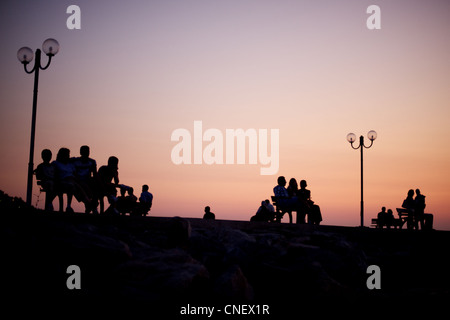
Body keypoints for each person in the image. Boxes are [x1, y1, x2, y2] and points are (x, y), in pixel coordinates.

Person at [52, 147, 90, 213]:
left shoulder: (70, 164)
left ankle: (85, 201)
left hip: (72, 181)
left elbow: (75, 174)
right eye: (67, 155)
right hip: (62, 181)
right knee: (73, 185)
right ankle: (86, 201)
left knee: (76, 186)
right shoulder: (56, 163)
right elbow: (54, 174)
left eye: (68, 155)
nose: (68, 156)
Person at [72, 145, 98, 213]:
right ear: (81, 152)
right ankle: (90, 205)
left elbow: (95, 174)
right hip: (78, 181)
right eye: (85, 151)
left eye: (87, 151)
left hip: (88, 180)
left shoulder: (92, 162)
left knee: (95, 188)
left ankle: (90, 205)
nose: (86, 153)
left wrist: (93, 181)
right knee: (79, 188)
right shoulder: (75, 161)